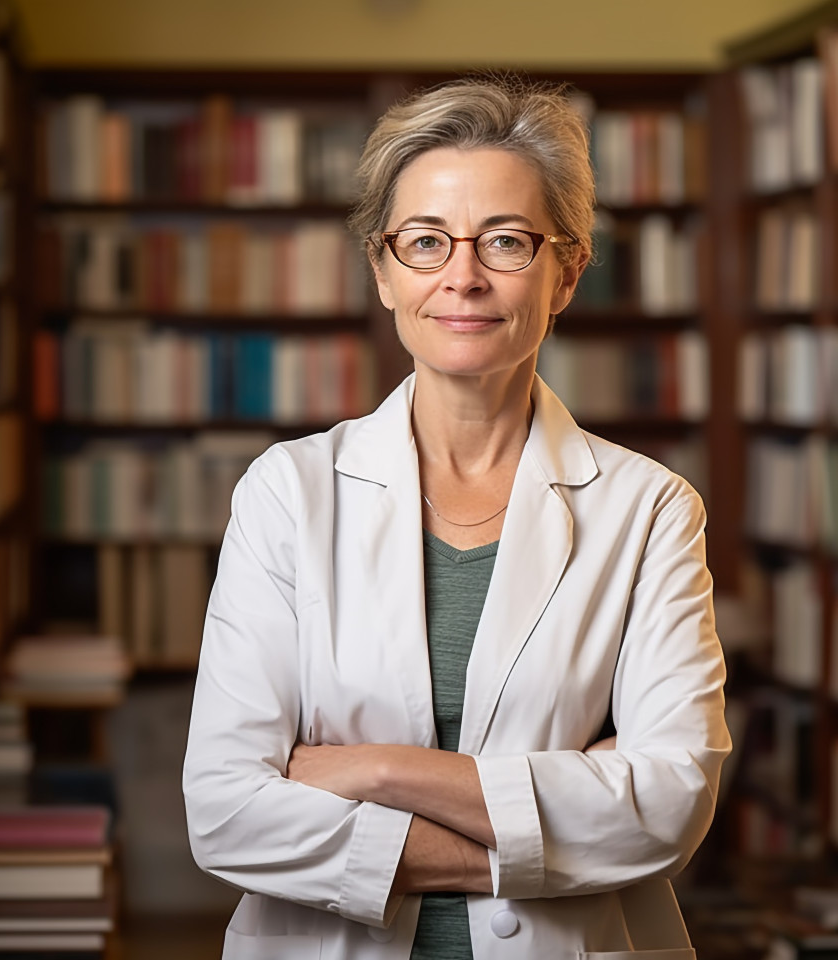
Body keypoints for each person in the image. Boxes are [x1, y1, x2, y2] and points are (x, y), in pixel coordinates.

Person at [183, 74, 732, 960]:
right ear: (383, 270)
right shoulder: (288, 492)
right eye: (427, 242)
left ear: (568, 273)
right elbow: (225, 813)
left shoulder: (650, 509)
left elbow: (666, 809)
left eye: (507, 242)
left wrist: (377, 769)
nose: (464, 279)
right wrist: (558, 824)